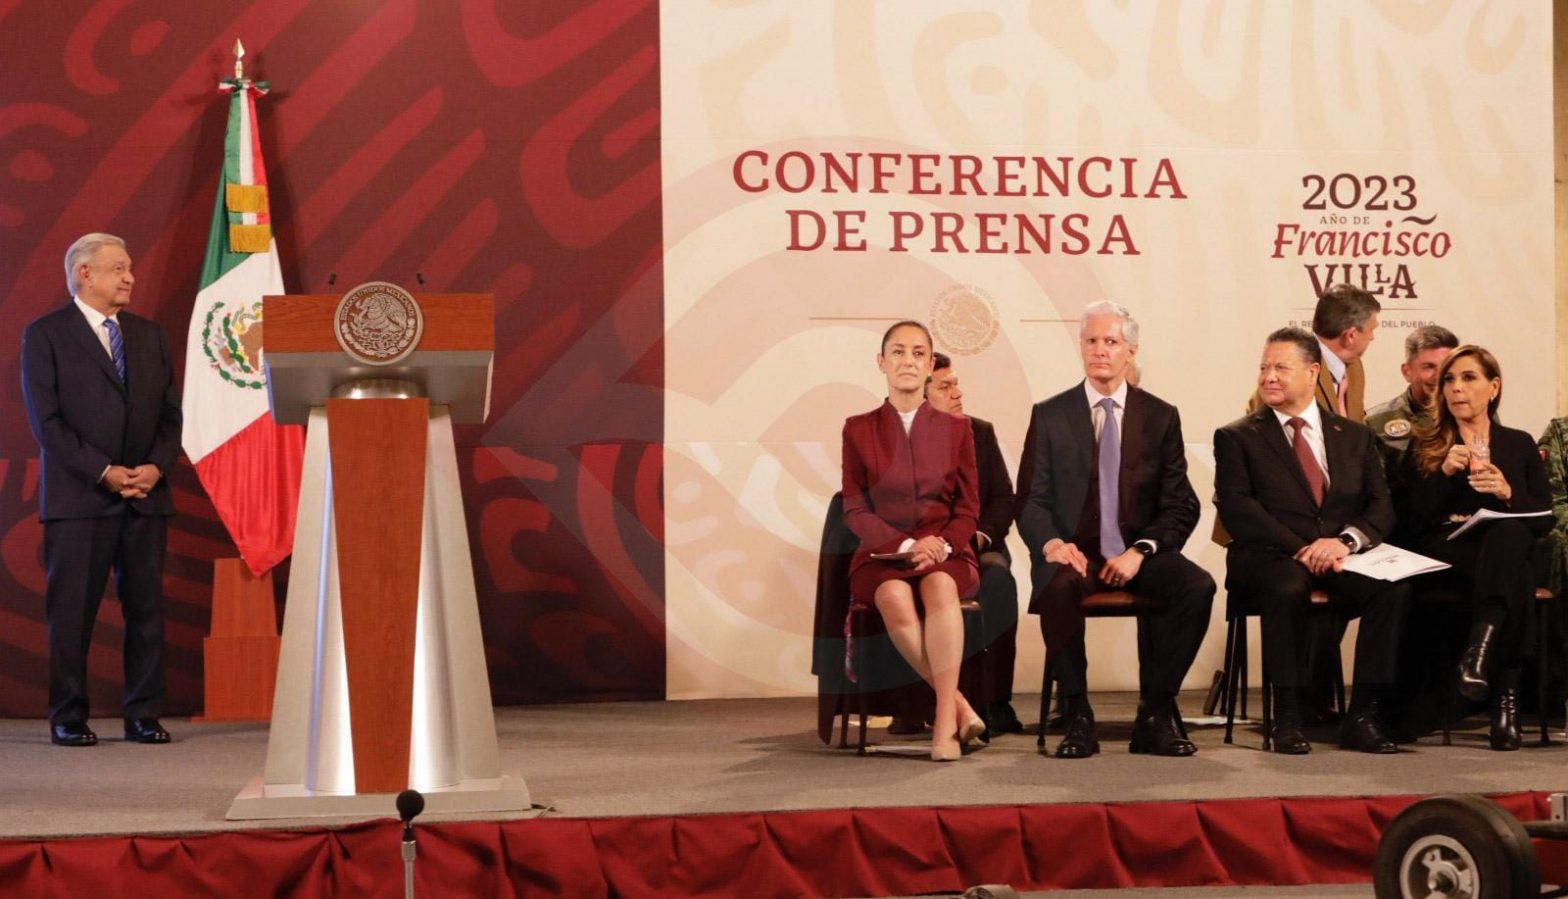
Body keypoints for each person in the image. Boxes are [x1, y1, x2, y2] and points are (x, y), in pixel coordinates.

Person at [1017, 301, 1214, 759]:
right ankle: (1077, 715)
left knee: (1197, 586)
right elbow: (1030, 499)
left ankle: (1155, 713)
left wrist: (1141, 550)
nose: (1099, 350)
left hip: (1138, 553)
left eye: (1111, 341)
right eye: (1091, 341)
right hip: (1076, 552)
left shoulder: (1160, 416)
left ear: (1131, 351)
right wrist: (1052, 543)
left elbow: (1180, 503)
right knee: (1057, 587)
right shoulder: (1050, 414)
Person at [1213, 327, 1408, 754]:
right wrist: (1303, 548)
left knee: (1392, 589)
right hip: (1270, 554)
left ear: (1312, 372)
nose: (1269, 377)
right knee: (1285, 587)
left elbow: (1380, 506)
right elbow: (1239, 510)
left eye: (1281, 368)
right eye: (1264, 367)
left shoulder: (1354, 435)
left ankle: (1364, 715)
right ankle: (1287, 716)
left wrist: (1345, 542)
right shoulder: (1237, 437)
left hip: (1339, 554)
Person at [21, 233, 181, 747]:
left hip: (145, 496)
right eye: (118, 268)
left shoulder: (150, 335)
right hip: (79, 499)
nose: (130, 277)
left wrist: (154, 467)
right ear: (85, 273)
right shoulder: (45, 335)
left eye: (129, 268)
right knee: (72, 615)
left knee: (146, 613)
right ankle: (68, 715)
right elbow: (47, 423)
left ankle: (144, 715)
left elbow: (171, 416)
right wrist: (104, 470)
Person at [841, 320, 984, 761]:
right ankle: (957, 705)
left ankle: (943, 723)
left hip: (946, 552)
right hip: (882, 555)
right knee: (894, 597)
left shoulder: (957, 429)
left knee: (940, 585)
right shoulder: (858, 429)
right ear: (881, 362)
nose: (908, 361)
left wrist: (941, 544)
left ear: (929, 364)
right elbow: (855, 510)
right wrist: (906, 546)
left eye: (918, 353)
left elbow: (968, 509)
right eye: (898, 352)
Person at [1398, 346, 1551, 750]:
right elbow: (1407, 522)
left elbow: (1543, 518)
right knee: (1515, 568)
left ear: (1493, 387)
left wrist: (1508, 493)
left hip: (1501, 552)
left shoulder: (1518, 443)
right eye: (1449, 380)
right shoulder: (1426, 443)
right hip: (1448, 552)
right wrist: (1443, 475)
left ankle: (1477, 658)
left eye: (1468, 378)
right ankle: (1505, 700)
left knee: (1509, 538)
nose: (1456, 388)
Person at [925, 352, 1023, 735]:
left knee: (998, 579)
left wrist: (979, 537)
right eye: (945, 386)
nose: (957, 393)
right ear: (922, 394)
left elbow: (1004, 498)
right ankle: (922, 704)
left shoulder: (979, 431)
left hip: (977, 546)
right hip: (928, 549)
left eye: (956, 384)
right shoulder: (903, 437)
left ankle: (996, 703)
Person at [1366, 325, 1459, 465]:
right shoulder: (1375, 422)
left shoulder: (1475, 414)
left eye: (1446, 367)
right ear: (1407, 372)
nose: (1439, 376)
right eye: (1429, 367)